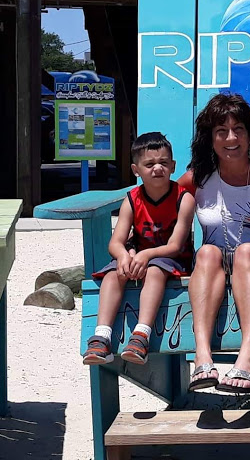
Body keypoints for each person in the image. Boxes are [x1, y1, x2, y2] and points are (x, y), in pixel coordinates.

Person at [178, 93, 250, 394]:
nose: (231, 138)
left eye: (238, 129)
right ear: (210, 138)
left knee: (246, 251)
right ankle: (202, 356)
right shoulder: (197, 179)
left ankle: (248, 357)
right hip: (212, 267)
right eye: (221, 131)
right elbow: (156, 205)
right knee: (207, 252)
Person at [82, 132, 195, 366]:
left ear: (173, 166)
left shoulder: (183, 199)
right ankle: (102, 337)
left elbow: (175, 246)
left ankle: (141, 335)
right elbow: (115, 242)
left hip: (172, 260)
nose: (157, 168)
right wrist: (124, 256)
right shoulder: (132, 199)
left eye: (163, 163)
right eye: (149, 164)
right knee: (114, 273)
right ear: (136, 170)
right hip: (139, 257)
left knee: (154, 270)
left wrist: (146, 254)